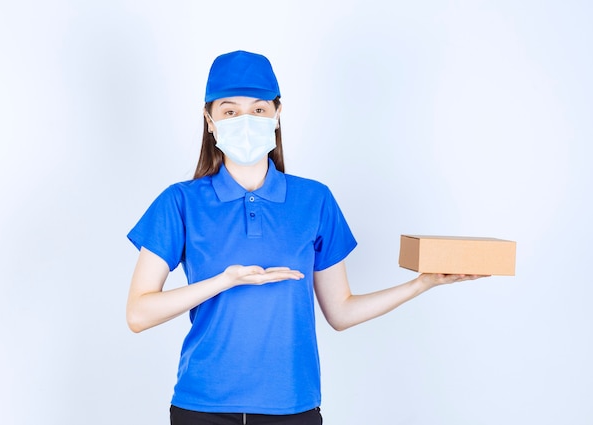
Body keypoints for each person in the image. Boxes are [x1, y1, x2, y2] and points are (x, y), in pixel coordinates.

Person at [126, 50, 484, 425]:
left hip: (293, 407)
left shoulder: (314, 201)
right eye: (230, 111)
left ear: (277, 115)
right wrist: (223, 281)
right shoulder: (180, 202)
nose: (245, 121)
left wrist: (422, 284)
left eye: (259, 110)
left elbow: (341, 311)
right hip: (203, 407)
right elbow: (138, 313)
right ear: (210, 120)